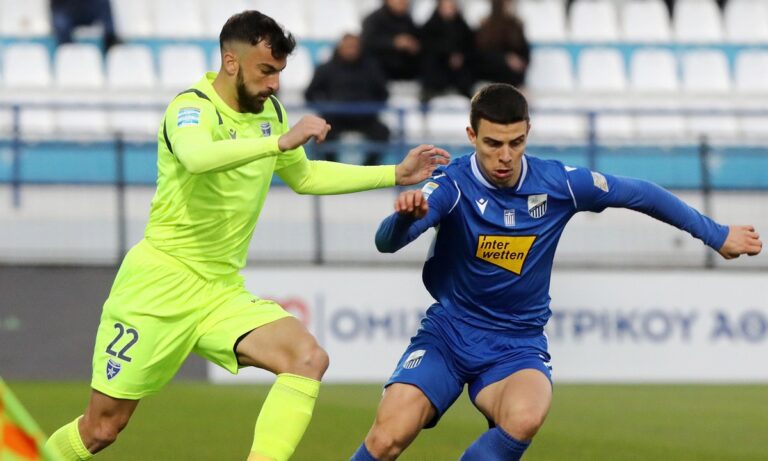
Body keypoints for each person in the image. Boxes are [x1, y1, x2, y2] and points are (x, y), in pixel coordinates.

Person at [43, 11, 449, 461]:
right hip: (158, 286)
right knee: (101, 428)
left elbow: (305, 177)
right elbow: (197, 157)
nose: (274, 84)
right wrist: (277, 143)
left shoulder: (270, 113)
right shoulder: (191, 108)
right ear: (231, 62)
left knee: (307, 359)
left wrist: (394, 174)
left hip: (220, 291)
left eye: (279, 73)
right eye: (266, 71)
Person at [349, 83, 762, 461]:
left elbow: (639, 193)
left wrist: (716, 234)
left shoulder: (557, 183)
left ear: (528, 132)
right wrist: (404, 219)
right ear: (472, 136)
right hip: (449, 335)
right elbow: (387, 242)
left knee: (526, 416)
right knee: (387, 439)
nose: (505, 156)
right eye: (493, 143)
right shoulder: (451, 186)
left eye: (516, 142)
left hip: (516, 343)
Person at [305, 33, 390, 165]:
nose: (351, 50)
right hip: (335, 119)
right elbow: (310, 94)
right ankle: (332, 168)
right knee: (322, 132)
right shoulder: (326, 69)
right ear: (340, 47)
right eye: (348, 46)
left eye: (354, 47)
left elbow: (383, 94)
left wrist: (370, 109)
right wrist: (327, 108)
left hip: (365, 119)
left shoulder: (371, 69)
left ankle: (367, 170)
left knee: (382, 133)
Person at [419, 0, 475, 102]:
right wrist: (448, 55)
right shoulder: (430, 26)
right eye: (446, 7)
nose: (449, 10)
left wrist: (460, 56)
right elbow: (427, 46)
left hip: (459, 67)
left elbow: (470, 46)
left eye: (452, 7)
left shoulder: (462, 27)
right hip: (438, 64)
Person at [474, 0, 530, 88]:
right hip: (491, 77)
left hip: (515, 79)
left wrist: (520, 62)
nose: (510, 7)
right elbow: (482, 54)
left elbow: (525, 52)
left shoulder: (516, 26)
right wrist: (506, 59)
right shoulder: (487, 26)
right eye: (507, 4)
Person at [361, 0, 421, 81]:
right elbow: (367, 42)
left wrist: (414, 45)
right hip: (380, 72)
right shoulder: (374, 20)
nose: (403, 2)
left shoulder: (407, 20)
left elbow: (418, 38)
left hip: (405, 72)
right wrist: (393, 43)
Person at [51, 0, 120, 50]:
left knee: (103, 2)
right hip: (65, 10)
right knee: (60, 23)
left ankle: (111, 40)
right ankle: (68, 51)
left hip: (85, 8)